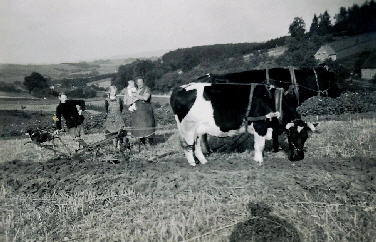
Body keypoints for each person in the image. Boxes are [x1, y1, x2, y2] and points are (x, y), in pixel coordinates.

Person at [130, 78, 156, 145]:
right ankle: (143, 143)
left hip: (146, 110)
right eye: (138, 82)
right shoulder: (135, 90)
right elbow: (131, 100)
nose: (139, 84)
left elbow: (146, 98)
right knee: (139, 126)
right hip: (138, 111)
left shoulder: (147, 89)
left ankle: (151, 143)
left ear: (143, 82)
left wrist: (136, 96)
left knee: (148, 126)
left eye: (141, 82)